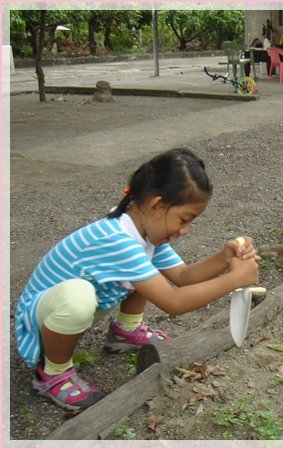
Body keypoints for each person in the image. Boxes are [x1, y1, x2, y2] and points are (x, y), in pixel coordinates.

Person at [14, 148, 260, 411]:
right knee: (79, 297)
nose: (185, 231)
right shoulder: (116, 240)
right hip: (42, 320)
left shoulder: (142, 229)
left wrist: (223, 258)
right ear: (156, 205)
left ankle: (125, 332)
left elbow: (183, 276)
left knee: (144, 271)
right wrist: (234, 279)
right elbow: (173, 302)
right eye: (184, 219)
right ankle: (53, 373)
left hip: (65, 309)